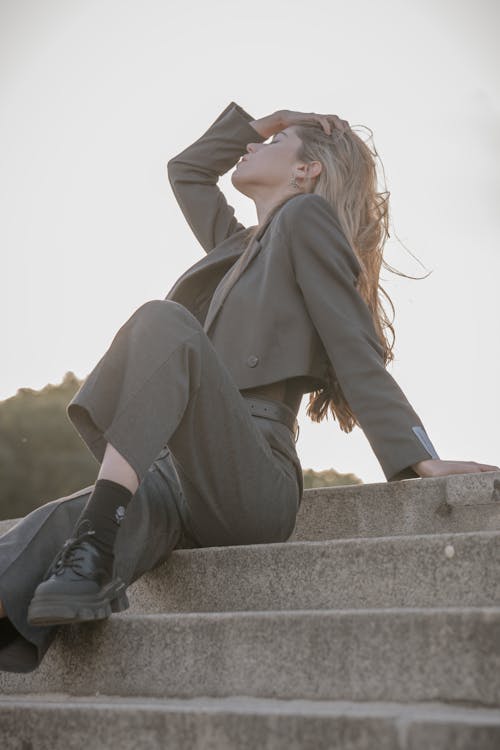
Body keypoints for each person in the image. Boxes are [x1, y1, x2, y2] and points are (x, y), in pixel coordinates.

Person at [0, 101, 498, 674]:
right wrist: (267, 121)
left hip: (252, 470)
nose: (253, 147)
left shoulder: (306, 219)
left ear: (307, 170)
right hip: (175, 468)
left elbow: (353, 345)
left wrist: (419, 457)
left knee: (161, 321)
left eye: (274, 143)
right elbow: (186, 170)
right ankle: (89, 549)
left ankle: (93, 543)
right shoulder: (234, 246)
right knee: (48, 533)